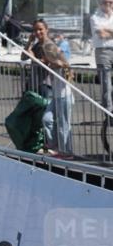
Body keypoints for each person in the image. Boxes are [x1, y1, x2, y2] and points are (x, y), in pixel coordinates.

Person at [27, 19, 73, 155]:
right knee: (47, 119)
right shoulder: (47, 51)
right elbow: (51, 61)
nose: (38, 32)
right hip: (56, 93)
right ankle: (54, 147)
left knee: (63, 124)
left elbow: (64, 64)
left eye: (41, 29)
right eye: (36, 30)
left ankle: (66, 152)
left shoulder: (50, 47)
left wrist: (56, 63)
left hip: (64, 94)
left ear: (46, 29)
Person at [91, 0, 113, 113]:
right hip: (102, 52)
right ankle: (109, 114)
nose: (108, 4)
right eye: (105, 2)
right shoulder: (95, 17)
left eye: (111, 2)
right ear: (101, 3)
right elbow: (101, 34)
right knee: (106, 85)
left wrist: (106, 29)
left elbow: (104, 33)